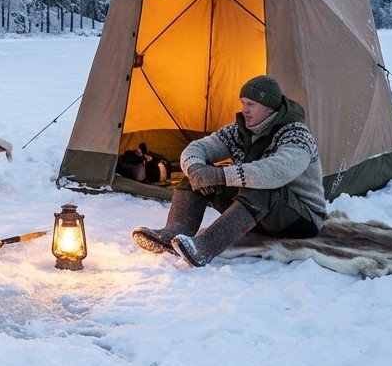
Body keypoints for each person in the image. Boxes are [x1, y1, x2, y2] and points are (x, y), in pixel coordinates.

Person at [131, 74, 326, 267]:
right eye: (243, 103)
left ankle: (205, 247)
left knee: (259, 188)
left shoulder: (296, 134)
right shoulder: (241, 131)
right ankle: (173, 233)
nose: (244, 110)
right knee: (196, 176)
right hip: (261, 215)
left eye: (251, 104)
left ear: (269, 108)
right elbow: (198, 148)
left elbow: (276, 172)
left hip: (302, 219)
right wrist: (196, 169)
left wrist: (220, 176)